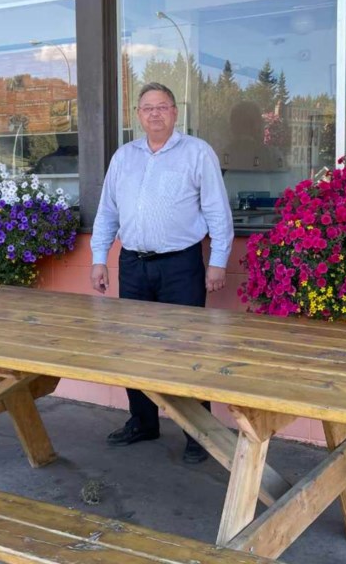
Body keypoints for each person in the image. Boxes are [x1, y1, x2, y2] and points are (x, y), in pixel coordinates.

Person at [90, 82, 234, 464]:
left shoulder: (196, 153)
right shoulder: (124, 157)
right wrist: (99, 258)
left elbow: (218, 212)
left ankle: (196, 432)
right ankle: (143, 421)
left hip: (180, 265)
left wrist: (218, 261)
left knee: (187, 350)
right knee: (135, 349)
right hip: (133, 264)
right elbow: (107, 212)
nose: (155, 114)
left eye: (163, 107)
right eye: (147, 108)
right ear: (138, 115)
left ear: (175, 112)